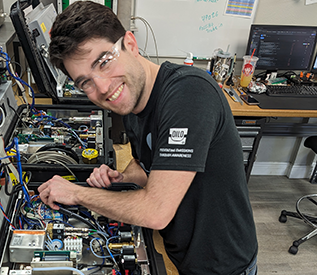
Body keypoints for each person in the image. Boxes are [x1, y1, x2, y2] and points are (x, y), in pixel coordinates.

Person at [38, 1, 258, 274]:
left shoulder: (189, 94)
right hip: (181, 252)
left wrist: (78, 194)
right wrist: (122, 177)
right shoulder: (132, 102)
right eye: (86, 82)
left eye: (104, 61)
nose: (103, 88)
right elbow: (145, 165)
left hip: (223, 264)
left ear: (130, 44)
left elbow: (156, 211)